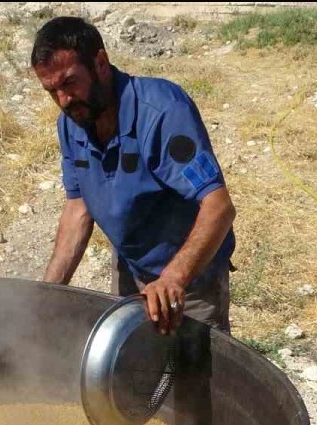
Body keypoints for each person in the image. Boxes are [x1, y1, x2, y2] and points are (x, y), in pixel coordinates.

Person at [31, 17, 237, 335]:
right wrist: (47, 295)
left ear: (100, 63)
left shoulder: (163, 112)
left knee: (191, 375)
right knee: (130, 370)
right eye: (52, 90)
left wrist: (172, 279)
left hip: (191, 278)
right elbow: (78, 208)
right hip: (131, 263)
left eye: (70, 83)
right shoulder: (73, 122)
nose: (63, 100)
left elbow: (219, 206)